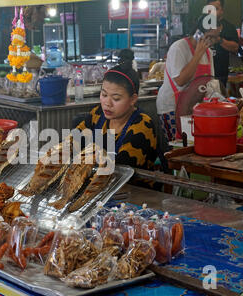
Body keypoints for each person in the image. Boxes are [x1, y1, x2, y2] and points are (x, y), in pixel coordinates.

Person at [75, 49, 158, 187]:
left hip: (136, 195)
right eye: (104, 95)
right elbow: (74, 141)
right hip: (97, 188)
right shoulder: (97, 115)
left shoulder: (142, 125)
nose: (107, 103)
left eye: (116, 98)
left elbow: (120, 169)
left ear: (133, 99)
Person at [156, 14, 222, 142]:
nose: (213, 41)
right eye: (210, 37)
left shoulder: (208, 53)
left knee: (194, 145)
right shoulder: (179, 48)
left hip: (193, 107)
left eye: (216, 37)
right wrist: (197, 55)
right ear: (198, 33)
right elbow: (181, 81)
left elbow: (210, 82)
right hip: (172, 108)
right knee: (177, 148)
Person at [206, 0, 240, 87]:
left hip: (220, 73)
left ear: (222, 10)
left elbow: (235, 48)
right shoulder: (201, 25)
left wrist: (219, 40)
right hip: (202, 73)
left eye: (216, 9)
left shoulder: (229, 27)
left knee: (219, 98)